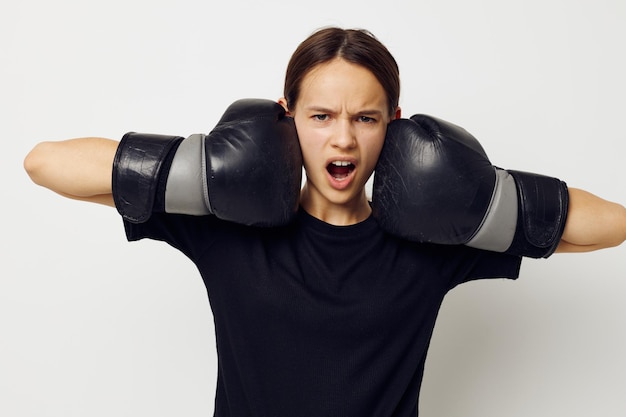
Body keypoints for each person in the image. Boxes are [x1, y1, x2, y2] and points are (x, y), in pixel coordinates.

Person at [23, 27, 626, 416]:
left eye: (366, 118)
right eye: (320, 116)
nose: (342, 137)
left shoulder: (431, 239)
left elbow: (609, 225)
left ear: (395, 122)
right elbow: (46, 163)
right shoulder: (226, 222)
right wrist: (206, 167)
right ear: (287, 118)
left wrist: (481, 193)